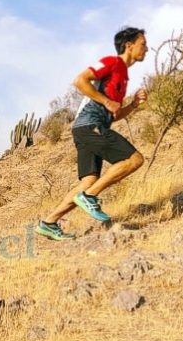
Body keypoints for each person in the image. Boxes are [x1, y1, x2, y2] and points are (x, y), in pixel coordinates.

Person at [36, 27, 149, 240]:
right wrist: (106, 100)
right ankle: (88, 197)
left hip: (91, 127)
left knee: (88, 180)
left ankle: (49, 222)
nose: (147, 48)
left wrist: (132, 104)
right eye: (143, 44)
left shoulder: (123, 77)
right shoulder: (112, 62)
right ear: (129, 45)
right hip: (89, 126)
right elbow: (80, 81)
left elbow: (113, 115)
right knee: (134, 159)